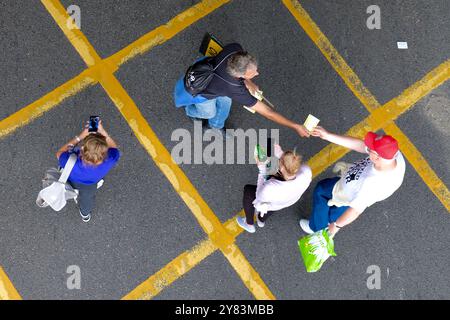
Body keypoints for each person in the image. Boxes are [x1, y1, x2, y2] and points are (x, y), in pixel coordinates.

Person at [174, 43, 310, 138]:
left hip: (208, 74)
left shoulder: (234, 49)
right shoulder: (234, 88)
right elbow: (268, 113)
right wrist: (296, 126)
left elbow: (236, 76)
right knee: (209, 112)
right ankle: (191, 112)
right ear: (239, 76)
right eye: (252, 73)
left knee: (225, 105)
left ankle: (216, 126)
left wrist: (248, 82)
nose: (257, 73)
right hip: (203, 92)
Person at [299, 127, 405, 237]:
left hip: (346, 192)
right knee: (337, 211)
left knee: (321, 190)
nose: (367, 147)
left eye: (370, 150)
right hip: (352, 191)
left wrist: (336, 226)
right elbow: (360, 146)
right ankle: (326, 222)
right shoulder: (392, 155)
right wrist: (327, 135)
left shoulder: (372, 185)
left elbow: (355, 211)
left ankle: (317, 228)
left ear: (377, 157)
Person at [237, 144, 312, 233]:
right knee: (272, 206)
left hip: (274, 197)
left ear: (283, 168)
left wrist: (261, 168)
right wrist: (281, 154)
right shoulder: (306, 171)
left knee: (248, 191)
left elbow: (259, 195)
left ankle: (249, 223)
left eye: (279, 161)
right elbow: (290, 166)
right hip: (287, 201)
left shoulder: (271, 187)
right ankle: (261, 220)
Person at [56, 121, 120, 222]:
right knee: (87, 199)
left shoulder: (69, 161)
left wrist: (80, 136)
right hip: (90, 185)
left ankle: (71, 192)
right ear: (105, 153)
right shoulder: (110, 159)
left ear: (82, 149)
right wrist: (103, 132)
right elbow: (113, 147)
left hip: (70, 178)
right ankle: (85, 214)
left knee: (66, 182)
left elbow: (59, 153)